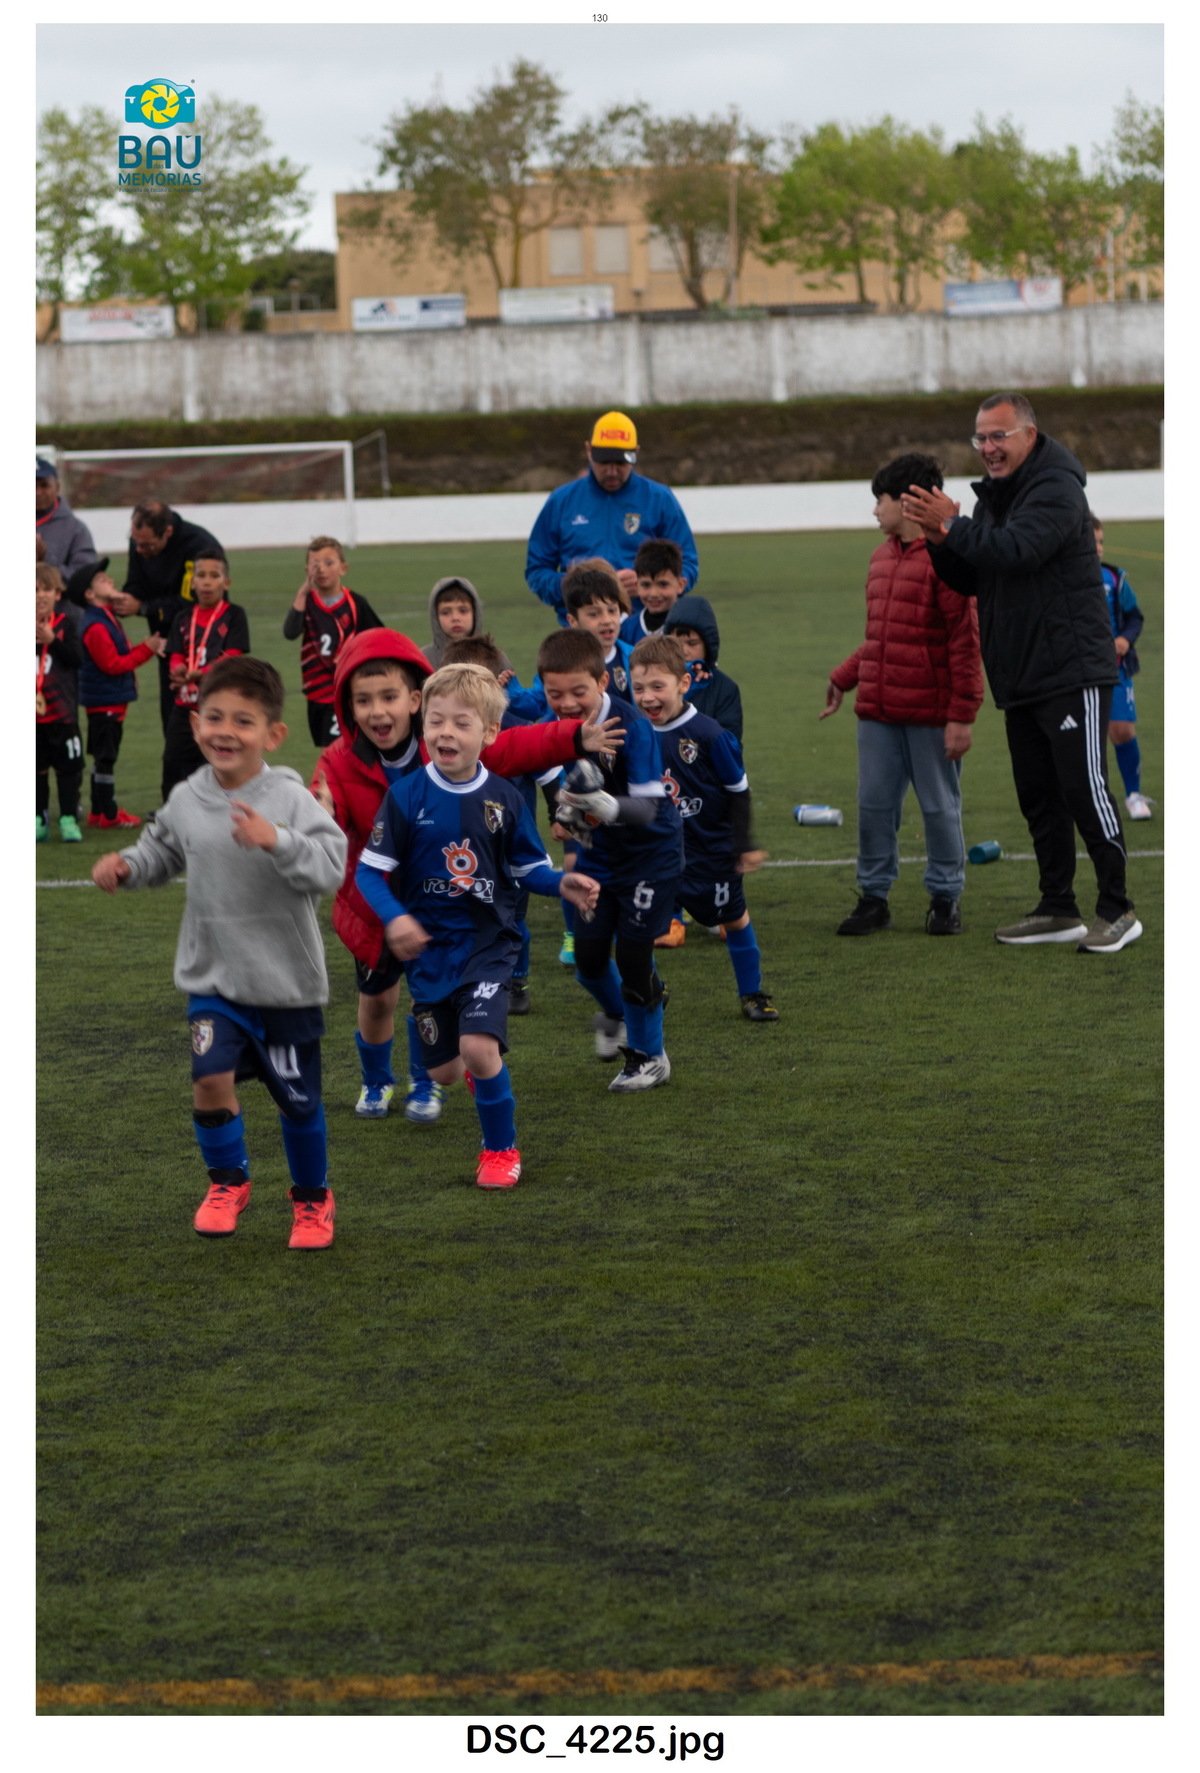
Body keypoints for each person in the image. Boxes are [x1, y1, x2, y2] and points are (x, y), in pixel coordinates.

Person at [312, 628, 625, 1124]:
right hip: (376, 911)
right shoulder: (338, 762)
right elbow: (326, 824)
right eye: (363, 701)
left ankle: (431, 1087)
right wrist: (320, 820)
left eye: (389, 697)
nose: (377, 711)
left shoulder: (448, 746)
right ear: (347, 708)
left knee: (448, 1022)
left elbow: (516, 743)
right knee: (378, 1002)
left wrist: (572, 737)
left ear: (413, 700)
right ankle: (377, 1080)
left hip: (457, 918)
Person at [91, 656, 348, 1251]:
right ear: (195, 721)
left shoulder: (288, 796)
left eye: (243, 721)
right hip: (213, 977)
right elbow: (162, 850)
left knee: (298, 1104)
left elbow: (331, 865)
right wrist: (127, 865)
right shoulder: (187, 796)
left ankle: (312, 1199)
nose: (225, 731)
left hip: (284, 982)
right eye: (214, 717)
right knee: (209, 1080)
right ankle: (228, 1182)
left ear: (272, 734)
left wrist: (276, 839)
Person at [902, 392, 1140, 955]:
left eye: (998, 436)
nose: (987, 448)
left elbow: (1017, 550)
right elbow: (975, 576)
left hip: (1071, 670)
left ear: (1029, 435)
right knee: (1039, 796)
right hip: (1022, 672)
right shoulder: (998, 496)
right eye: (980, 438)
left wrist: (953, 524)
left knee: (1084, 790)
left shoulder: (1057, 486)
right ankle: (1058, 908)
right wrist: (939, 540)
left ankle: (1118, 909)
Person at [354, 662, 601, 1189]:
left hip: (489, 944)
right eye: (436, 721)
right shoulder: (406, 797)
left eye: (461, 723)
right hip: (429, 951)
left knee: (479, 1049)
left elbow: (526, 869)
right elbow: (369, 873)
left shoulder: (505, 799)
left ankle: (500, 1150)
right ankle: (464, 1064)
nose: (445, 732)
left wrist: (561, 882)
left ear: (489, 733)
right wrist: (396, 918)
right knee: (444, 1072)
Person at [821, 453, 983, 937]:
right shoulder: (880, 558)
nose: (875, 510)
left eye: (881, 500)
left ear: (908, 503)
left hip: (931, 713)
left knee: (939, 808)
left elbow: (965, 641)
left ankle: (945, 898)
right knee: (873, 806)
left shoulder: (949, 560)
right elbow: (882, 637)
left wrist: (962, 715)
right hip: (878, 710)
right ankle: (874, 898)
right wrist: (844, 676)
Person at [538, 627, 683, 1092]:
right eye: (554, 694)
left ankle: (649, 1056)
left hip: (649, 857)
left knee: (635, 957)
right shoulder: (555, 722)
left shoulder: (631, 726)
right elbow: (541, 766)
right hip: (600, 858)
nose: (566, 703)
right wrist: (563, 813)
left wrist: (600, 805)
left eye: (577, 691)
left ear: (602, 681)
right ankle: (624, 1011)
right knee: (589, 959)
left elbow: (648, 808)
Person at [631, 634, 778, 1022]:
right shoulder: (634, 732)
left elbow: (739, 791)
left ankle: (752, 993)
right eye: (639, 688)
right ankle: (650, 987)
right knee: (636, 921)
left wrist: (743, 844)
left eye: (657, 686)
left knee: (733, 917)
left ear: (683, 683)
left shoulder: (710, 735)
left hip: (709, 852)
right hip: (655, 854)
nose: (647, 697)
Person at [525, 411, 699, 624]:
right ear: (588, 450)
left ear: (636, 452)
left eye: (621, 463)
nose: (612, 471)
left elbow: (688, 564)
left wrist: (648, 584)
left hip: (646, 629)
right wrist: (579, 585)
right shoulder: (561, 501)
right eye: (604, 462)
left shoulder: (660, 499)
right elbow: (537, 570)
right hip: (581, 633)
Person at [109, 497, 223, 735]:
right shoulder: (140, 541)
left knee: (209, 720)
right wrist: (122, 599)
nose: (140, 551)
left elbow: (193, 603)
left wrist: (143, 608)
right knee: (172, 722)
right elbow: (136, 583)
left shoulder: (199, 546)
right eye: (136, 543)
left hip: (204, 644)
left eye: (148, 546)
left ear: (168, 532)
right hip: (168, 644)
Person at [77, 564, 167, 830]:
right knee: (106, 757)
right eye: (101, 579)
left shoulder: (104, 617)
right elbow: (113, 664)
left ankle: (98, 811)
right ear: (90, 594)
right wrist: (147, 649)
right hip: (105, 702)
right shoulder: (96, 625)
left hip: (107, 701)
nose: (110, 580)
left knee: (103, 756)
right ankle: (109, 813)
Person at [161, 549, 250, 801]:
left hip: (218, 708)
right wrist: (178, 669)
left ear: (226, 582)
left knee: (215, 762)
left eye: (214, 575)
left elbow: (231, 657)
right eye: (201, 575)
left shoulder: (234, 615)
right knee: (173, 761)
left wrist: (198, 674)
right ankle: (171, 810)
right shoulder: (183, 617)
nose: (207, 582)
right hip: (185, 706)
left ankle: (219, 809)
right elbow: (175, 653)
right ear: (192, 582)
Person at [282, 536, 383, 747]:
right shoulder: (307, 603)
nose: (321, 569)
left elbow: (377, 637)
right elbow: (290, 632)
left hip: (348, 689)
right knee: (328, 748)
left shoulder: (355, 603)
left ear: (343, 568)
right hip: (318, 692)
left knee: (349, 745)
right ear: (307, 570)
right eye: (315, 564)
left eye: (329, 563)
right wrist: (302, 592)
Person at [1092, 513, 1151, 822]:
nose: (1099, 548)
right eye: (1092, 542)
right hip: (1077, 672)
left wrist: (1125, 639)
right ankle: (1088, 798)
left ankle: (1134, 795)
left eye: (1101, 541)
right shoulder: (1063, 580)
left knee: (1122, 730)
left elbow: (1134, 617)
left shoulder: (1114, 578)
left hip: (1114, 669)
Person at [36, 564, 85, 844]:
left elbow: (77, 659)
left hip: (62, 714)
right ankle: (38, 819)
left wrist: (52, 641)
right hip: (33, 719)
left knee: (68, 770)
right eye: (34, 590)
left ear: (58, 594)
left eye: (47, 589)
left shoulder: (66, 624)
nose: (40, 595)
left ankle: (68, 818)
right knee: (35, 770)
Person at [662, 594, 744, 741]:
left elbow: (731, 742)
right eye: (676, 643)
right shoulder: (657, 681)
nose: (684, 651)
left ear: (708, 645)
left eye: (692, 643)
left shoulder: (725, 688)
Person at [421, 575, 511, 672]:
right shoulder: (423, 659)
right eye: (445, 612)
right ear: (435, 617)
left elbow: (512, 682)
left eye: (463, 611)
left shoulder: (495, 657)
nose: (455, 618)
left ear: (475, 613)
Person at [36, 458, 97, 578]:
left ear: (57, 488)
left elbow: (84, 575)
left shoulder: (76, 529)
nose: (37, 492)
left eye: (44, 485)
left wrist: (45, 560)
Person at [621, 540, 689, 647]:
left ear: (680, 585)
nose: (653, 594)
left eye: (663, 584)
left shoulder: (689, 627)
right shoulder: (627, 629)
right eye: (646, 585)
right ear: (636, 586)